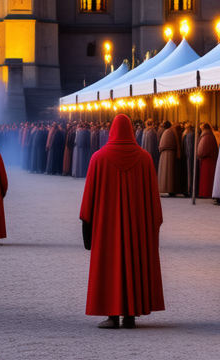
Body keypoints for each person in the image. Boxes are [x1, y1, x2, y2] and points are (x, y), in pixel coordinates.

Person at [79, 114, 163, 329]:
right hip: (137, 226)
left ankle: (112, 315)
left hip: (106, 227)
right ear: (132, 131)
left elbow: (88, 199)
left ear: (111, 131)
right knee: (134, 261)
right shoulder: (145, 159)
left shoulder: (98, 158)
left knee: (109, 265)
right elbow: (154, 201)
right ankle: (131, 315)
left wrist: (88, 225)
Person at [157, 122, 179, 196]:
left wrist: (161, 148)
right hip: (170, 154)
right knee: (169, 173)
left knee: (166, 173)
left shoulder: (167, 132)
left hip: (166, 154)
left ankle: (166, 188)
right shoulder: (171, 132)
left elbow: (163, 144)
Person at [195, 123, 216, 198]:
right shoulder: (208, 135)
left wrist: (200, 154)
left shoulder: (207, 136)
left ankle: (205, 192)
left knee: (206, 179)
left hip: (207, 161)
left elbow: (203, 150)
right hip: (207, 160)